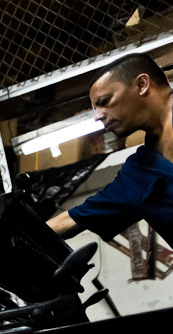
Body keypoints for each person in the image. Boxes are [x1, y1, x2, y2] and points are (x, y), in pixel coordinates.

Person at [47, 53, 173, 245]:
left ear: (142, 85)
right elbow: (73, 219)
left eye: (105, 101)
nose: (97, 117)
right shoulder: (138, 174)